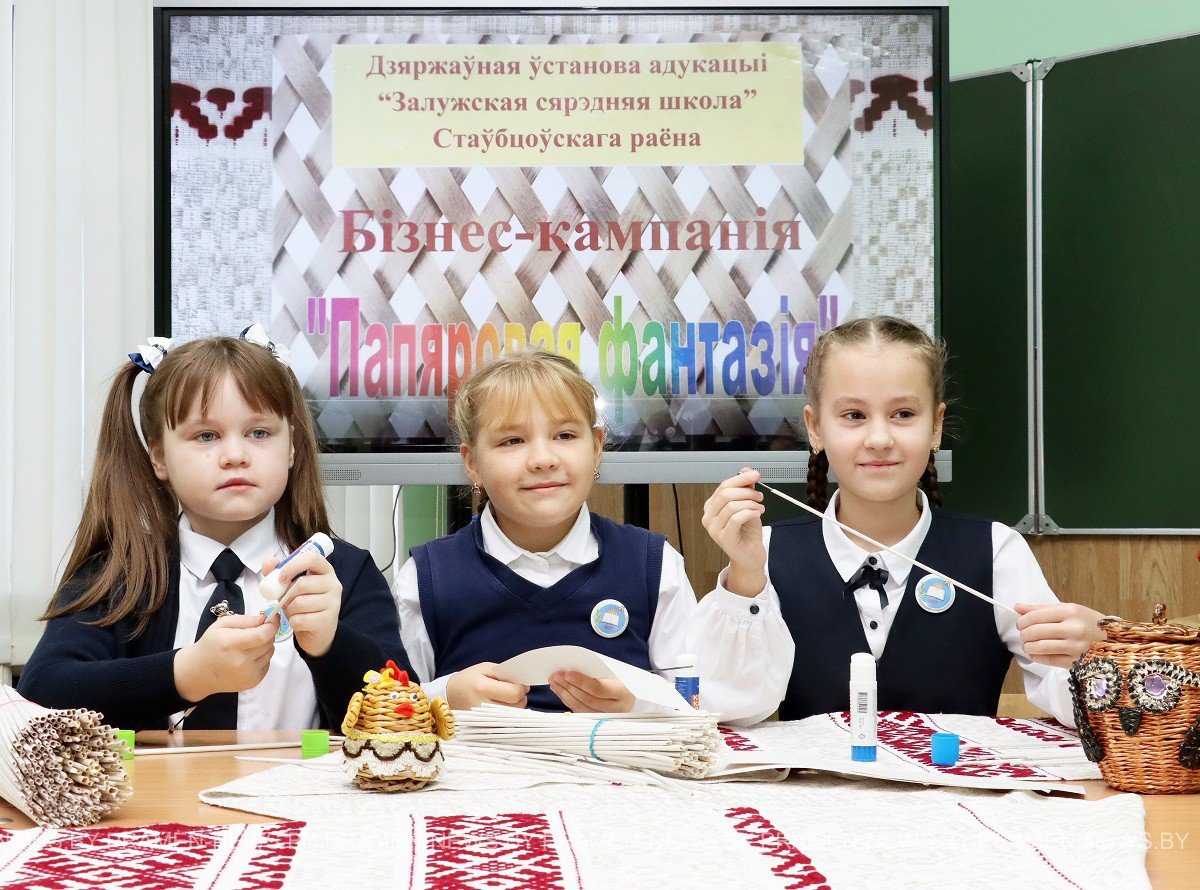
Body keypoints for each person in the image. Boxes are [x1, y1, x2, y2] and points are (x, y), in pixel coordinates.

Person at [703, 316, 1103, 723]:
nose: (879, 439)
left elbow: (1078, 704)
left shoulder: (995, 551)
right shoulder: (767, 553)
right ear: (815, 428)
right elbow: (730, 711)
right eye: (854, 415)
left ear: (936, 426)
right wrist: (746, 579)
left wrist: (1105, 649)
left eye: (903, 414)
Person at [19, 330, 410, 730]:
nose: (235, 456)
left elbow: (404, 714)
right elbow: (42, 694)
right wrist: (186, 675)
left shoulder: (345, 573)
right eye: (206, 436)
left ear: (291, 446)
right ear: (159, 456)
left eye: (259, 433)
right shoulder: (120, 574)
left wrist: (331, 644)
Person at [394, 350, 793, 724]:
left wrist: (641, 701)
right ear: (472, 464)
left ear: (597, 448)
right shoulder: (426, 578)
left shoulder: (652, 566)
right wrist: (444, 697)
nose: (543, 459)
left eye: (565, 436)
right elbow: (385, 708)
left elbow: (714, 701)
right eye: (512, 441)